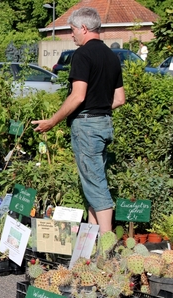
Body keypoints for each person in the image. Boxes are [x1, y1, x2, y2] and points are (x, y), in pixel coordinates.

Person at [32, 7, 125, 235]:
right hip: (104, 123)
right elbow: (120, 99)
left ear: (84, 28)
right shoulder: (112, 57)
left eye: (72, 29)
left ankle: (106, 244)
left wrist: (52, 121)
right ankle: (92, 243)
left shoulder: (82, 55)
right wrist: (99, 107)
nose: (71, 34)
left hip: (87, 127)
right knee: (92, 183)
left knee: (96, 185)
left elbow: (77, 95)